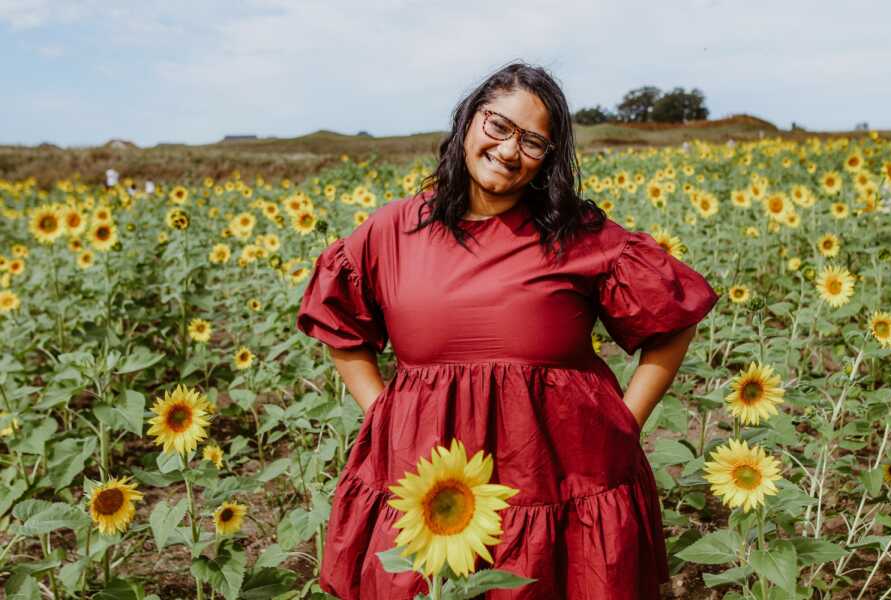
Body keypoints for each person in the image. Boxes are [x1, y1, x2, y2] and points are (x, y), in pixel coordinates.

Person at [296, 62, 719, 600]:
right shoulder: (393, 229)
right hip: (428, 481)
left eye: (534, 142)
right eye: (498, 126)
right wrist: (382, 414)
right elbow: (339, 321)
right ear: (468, 121)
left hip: (561, 478)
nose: (509, 150)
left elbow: (671, 321)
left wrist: (624, 424)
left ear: (548, 159)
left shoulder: (579, 235)